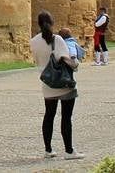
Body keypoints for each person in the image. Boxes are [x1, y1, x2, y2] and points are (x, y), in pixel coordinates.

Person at [31, 10, 83, 161]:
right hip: (63, 82)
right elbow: (64, 58)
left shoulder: (33, 41)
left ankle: (48, 149)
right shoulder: (57, 39)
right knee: (66, 117)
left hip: (47, 82)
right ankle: (69, 150)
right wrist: (76, 63)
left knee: (49, 115)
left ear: (39, 24)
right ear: (52, 22)